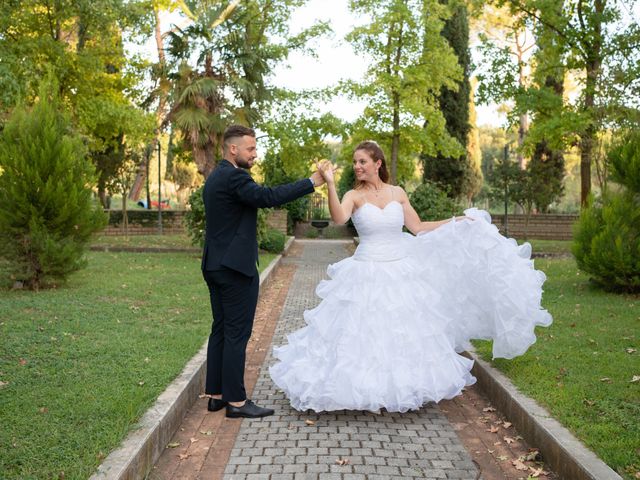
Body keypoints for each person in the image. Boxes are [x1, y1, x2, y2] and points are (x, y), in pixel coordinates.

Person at [269, 140, 552, 413]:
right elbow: (340, 218)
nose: (357, 166)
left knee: (400, 333)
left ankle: (399, 387)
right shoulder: (353, 196)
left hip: (400, 269)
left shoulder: (398, 193)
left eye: (362, 161)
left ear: (378, 163)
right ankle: (362, 388)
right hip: (365, 271)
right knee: (362, 332)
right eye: (355, 162)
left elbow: (417, 227)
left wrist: (457, 222)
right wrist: (330, 183)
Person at [202, 124, 325, 419]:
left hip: (214, 264)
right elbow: (269, 197)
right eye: (251, 149)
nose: (255, 155)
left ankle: (216, 395)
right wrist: (311, 182)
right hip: (234, 269)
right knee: (236, 334)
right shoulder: (235, 177)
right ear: (234, 149)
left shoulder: (215, 176)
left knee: (220, 328)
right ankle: (237, 402)